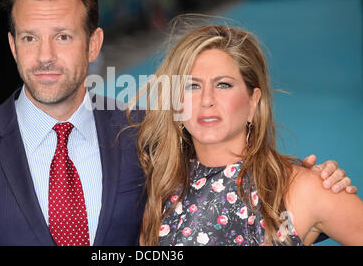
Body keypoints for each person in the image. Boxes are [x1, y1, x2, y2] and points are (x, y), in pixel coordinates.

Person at [0, 0, 356, 246]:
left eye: (63, 36)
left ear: (93, 44)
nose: (45, 57)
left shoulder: (143, 134)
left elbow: (237, 189)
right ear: (12, 46)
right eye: (30, 38)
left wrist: (312, 206)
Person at [131, 24, 363, 246]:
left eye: (223, 85)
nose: (206, 100)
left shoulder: (303, 187)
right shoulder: (160, 189)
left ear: (253, 101)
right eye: (192, 86)